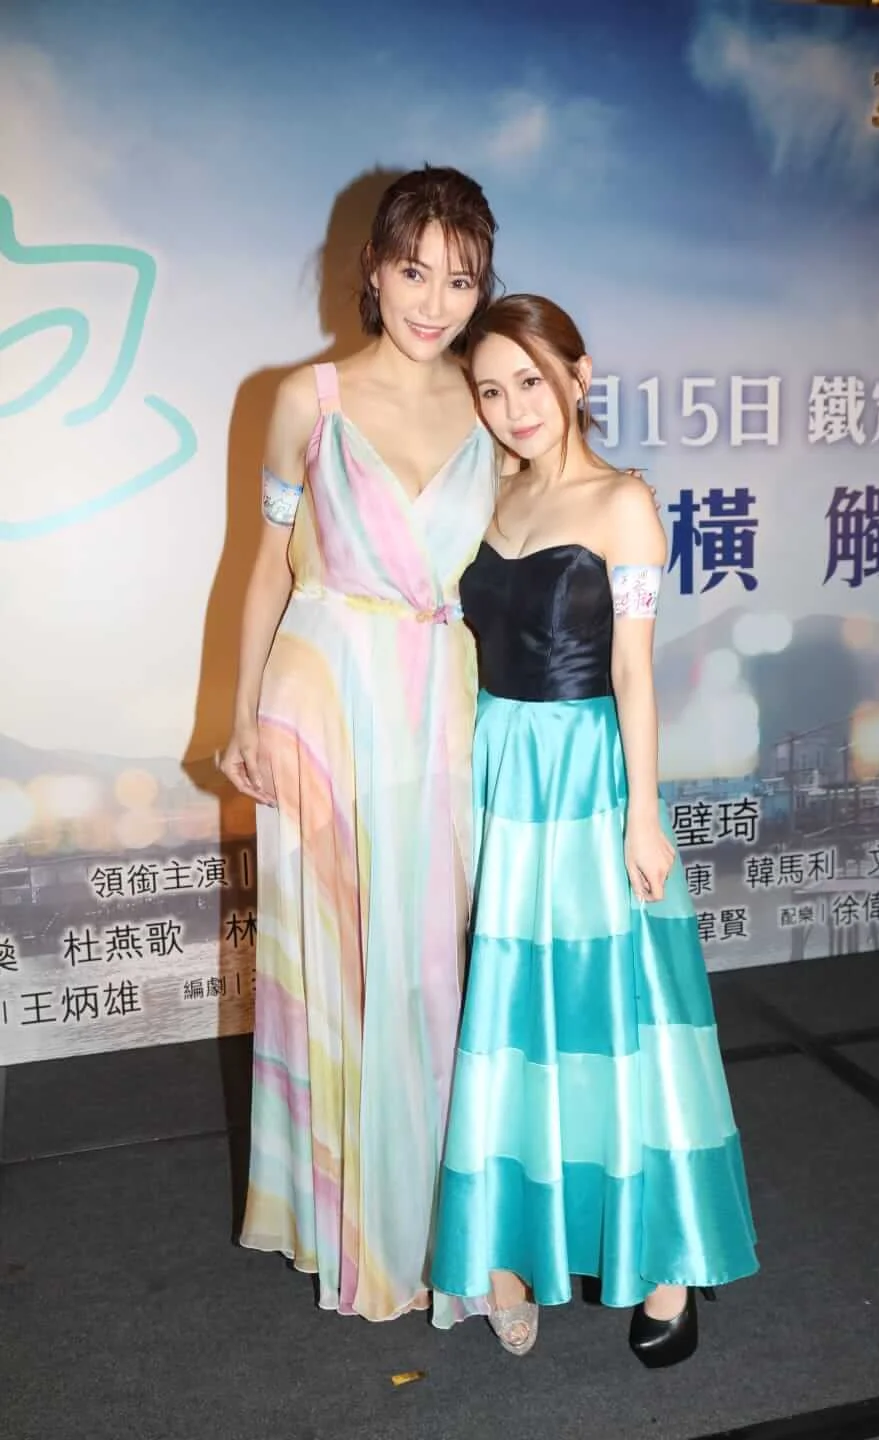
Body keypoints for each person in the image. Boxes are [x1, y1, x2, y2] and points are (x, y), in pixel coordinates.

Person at [431, 294, 758, 1359]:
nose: (514, 407)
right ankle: (514, 1240)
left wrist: (642, 815)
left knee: (617, 1008)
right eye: (491, 389)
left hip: (586, 777)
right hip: (499, 769)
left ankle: (667, 1264)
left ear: (579, 375)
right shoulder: (490, 493)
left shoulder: (625, 504)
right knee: (516, 1014)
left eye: (531, 380)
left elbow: (634, 672)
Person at [219, 167, 500, 1327]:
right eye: (414, 271)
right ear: (374, 272)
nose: (435, 301)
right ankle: (349, 1226)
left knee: (435, 967)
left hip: (442, 698)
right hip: (327, 697)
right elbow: (264, 569)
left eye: (461, 280)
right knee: (337, 972)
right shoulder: (309, 398)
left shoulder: (492, 399)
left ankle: (449, 1232)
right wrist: (241, 716)